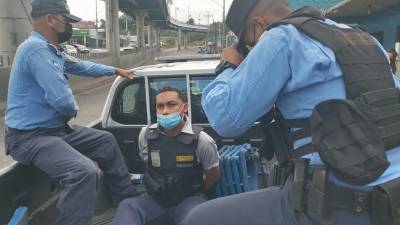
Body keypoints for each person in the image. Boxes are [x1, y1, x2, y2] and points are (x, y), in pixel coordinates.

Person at [183, 0, 400, 225]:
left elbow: (225, 119)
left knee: (198, 218)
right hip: (390, 199)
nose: (252, 51)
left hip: (332, 205)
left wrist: (227, 67)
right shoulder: (365, 39)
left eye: (250, 44)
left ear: (259, 24)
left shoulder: (281, 37)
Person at [4, 0, 141, 224]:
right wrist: (71, 111)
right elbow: (62, 100)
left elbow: (81, 65)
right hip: (29, 138)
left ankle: (124, 195)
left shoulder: (50, 50)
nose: (68, 26)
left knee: (104, 141)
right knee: (83, 172)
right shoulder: (36, 50)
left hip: (54, 131)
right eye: (66, 20)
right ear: (50, 19)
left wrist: (115, 70)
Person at [112, 87, 219, 225]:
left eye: (171, 104)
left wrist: (193, 190)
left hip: (189, 200)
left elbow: (213, 175)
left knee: (197, 217)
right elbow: (148, 164)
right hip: (156, 200)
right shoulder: (146, 135)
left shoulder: (202, 140)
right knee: (127, 207)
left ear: (184, 107)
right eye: (160, 106)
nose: (165, 111)